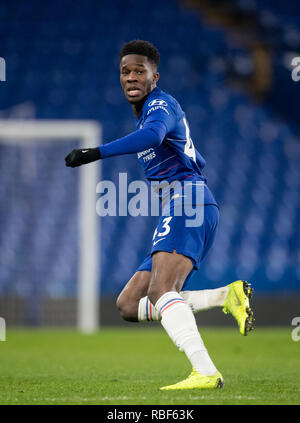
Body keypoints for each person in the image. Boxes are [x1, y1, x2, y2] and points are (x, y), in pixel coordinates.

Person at [65, 40, 254, 390]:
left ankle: (206, 372)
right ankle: (224, 297)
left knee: (162, 290)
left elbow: (153, 137)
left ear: (155, 77)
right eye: (125, 72)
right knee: (128, 304)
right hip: (183, 204)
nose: (131, 77)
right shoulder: (150, 111)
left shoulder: (161, 104)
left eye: (140, 71)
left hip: (188, 201)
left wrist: (96, 152)